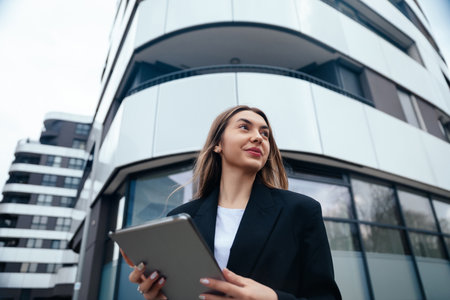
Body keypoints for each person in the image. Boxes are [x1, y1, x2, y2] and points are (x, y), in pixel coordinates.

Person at [122, 105, 342, 300]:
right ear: (218, 144)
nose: (259, 137)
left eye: (265, 133)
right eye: (245, 127)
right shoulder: (180, 219)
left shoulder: (301, 211)